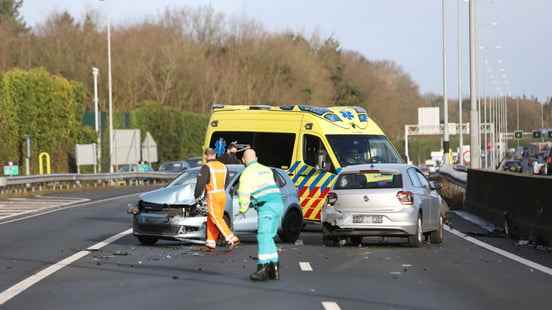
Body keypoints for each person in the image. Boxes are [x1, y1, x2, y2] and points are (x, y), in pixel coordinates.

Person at [237, 149, 284, 281]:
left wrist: (243, 209)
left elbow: (243, 193)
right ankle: (274, 269)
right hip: (278, 203)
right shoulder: (266, 169)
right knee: (270, 237)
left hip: (266, 206)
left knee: (263, 236)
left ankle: (262, 269)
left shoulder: (246, 173)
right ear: (256, 158)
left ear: (243, 160)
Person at [194, 148, 240, 252]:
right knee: (212, 218)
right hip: (222, 194)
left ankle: (232, 238)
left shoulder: (206, 167)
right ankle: (211, 243)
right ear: (215, 155)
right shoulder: (224, 166)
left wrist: (196, 196)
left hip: (212, 195)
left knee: (215, 218)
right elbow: (227, 182)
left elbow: (200, 183)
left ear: (206, 156)